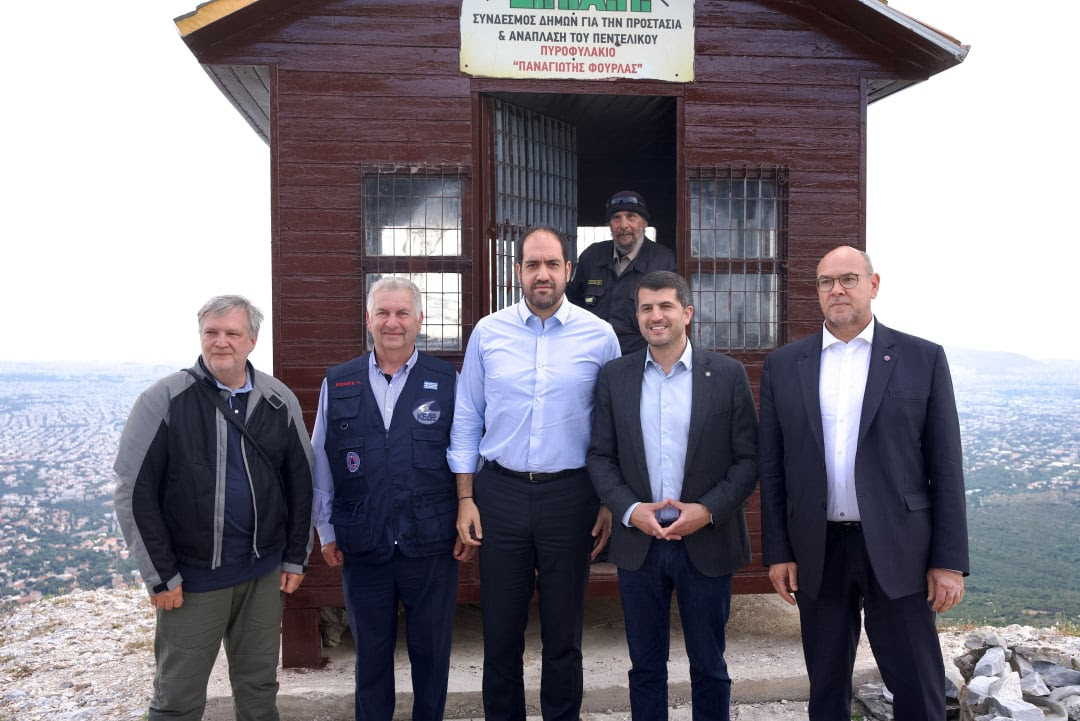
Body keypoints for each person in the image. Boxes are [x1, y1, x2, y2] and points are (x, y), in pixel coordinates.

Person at [758, 246, 968, 721]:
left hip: (900, 548)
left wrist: (949, 561)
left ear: (873, 285)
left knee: (917, 685)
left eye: (848, 279)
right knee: (826, 686)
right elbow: (772, 468)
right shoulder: (784, 365)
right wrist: (779, 551)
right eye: (825, 282)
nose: (836, 290)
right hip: (818, 549)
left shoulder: (922, 358)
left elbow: (945, 466)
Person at [114, 295, 314, 721]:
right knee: (177, 698)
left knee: (259, 691)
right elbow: (133, 492)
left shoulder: (277, 399)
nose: (221, 342)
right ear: (201, 336)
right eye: (212, 332)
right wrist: (160, 575)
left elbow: (302, 482)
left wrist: (296, 557)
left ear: (252, 341)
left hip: (261, 575)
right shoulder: (165, 398)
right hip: (191, 581)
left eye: (232, 333)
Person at [449, 226, 621, 721]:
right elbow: (467, 416)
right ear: (518, 272)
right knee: (500, 632)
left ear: (568, 270)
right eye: (531, 265)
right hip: (499, 495)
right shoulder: (489, 333)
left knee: (564, 633)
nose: (541, 274)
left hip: (571, 498)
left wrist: (607, 501)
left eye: (551, 264)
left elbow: (612, 424)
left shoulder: (599, 335)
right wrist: (466, 497)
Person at [587, 271, 758, 721]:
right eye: (646, 308)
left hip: (707, 540)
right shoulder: (616, 377)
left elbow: (748, 460)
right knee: (645, 667)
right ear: (637, 316)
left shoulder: (727, 375)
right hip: (639, 544)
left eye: (665, 306)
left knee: (710, 666)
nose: (655, 316)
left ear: (687, 313)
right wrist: (630, 510)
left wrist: (707, 510)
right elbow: (600, 456)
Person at [310, 276, 468, 721]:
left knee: (431, 656)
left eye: (402, 313)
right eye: (383, 312)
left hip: (431, 541)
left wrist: (466, 514)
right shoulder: (338, 382)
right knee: (371, 659)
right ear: (368, 319)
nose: (392, 322)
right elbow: (322, 459)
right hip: (363, 542)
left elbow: (464, 451)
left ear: (419, 320)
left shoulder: (446, 379)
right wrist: (325, 529)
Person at [567, 190, 677, 354]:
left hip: (641, 357)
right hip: (594, 353)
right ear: (610, 225)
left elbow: (672, 314)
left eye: (631, 216)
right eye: (616, 218)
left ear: (644, 223)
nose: (623, 225)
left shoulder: (664, 261)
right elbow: (572, 305)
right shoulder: (591, 257)